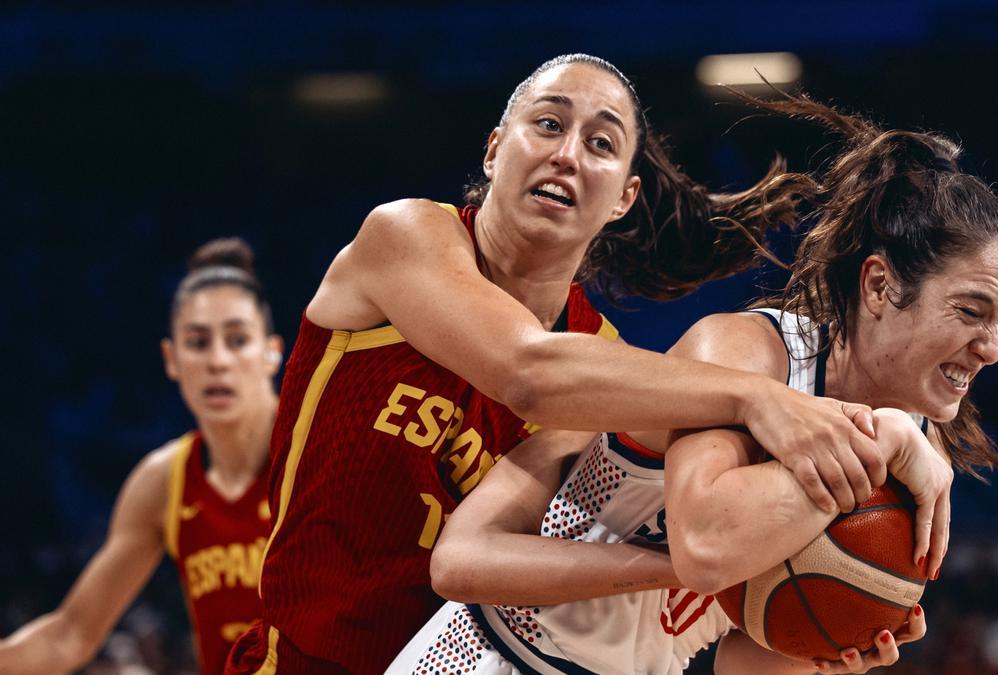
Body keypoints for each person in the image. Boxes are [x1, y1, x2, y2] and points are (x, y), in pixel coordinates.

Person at [225, 54, 940, 674]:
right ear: (494, 149)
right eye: (547, 124)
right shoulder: (406, 236)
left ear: (624, 197)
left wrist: (815, 622)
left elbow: (648, 629)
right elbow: (528, 370)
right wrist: (761, 399)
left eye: (601, 142)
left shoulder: (613, 368)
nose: (568, 153)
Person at [392, 89, 998, 674]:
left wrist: (824, 642)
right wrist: (881, 440)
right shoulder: (748, 352)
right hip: (490, 657)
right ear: (881, 285)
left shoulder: (914, 451)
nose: (992, 348)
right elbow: (704, 547)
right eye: (970, 311)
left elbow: (742, 657)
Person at [0, 238, 284, 675]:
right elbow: (70, 636)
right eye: (198, 342)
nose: (218, 361)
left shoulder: (317, 449)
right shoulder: (162, 480)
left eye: (238, 339)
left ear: (272, 351)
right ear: (172, 359)